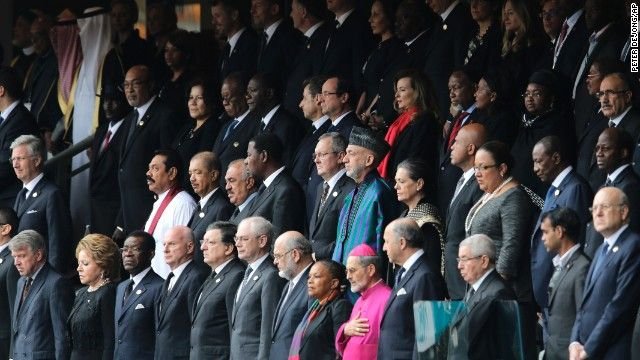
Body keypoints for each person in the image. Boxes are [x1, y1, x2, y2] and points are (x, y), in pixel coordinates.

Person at [570, 187, 640, 359]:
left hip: (612, 351)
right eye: (594, 208)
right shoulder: (602, 248)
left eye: (605, 207)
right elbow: (585, 305)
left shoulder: (633, 246)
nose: (598, 213)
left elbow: (620, 307)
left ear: (623, 212)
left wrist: (589, 349)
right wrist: (574, 342)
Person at [465, 140, 537, 303]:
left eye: (483, 167)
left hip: (503, 293)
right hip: (483, 287)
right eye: (476, 167)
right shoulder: (491, 192)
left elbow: (511, 245)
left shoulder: (513, 197)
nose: (477, 173)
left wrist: (493, 286)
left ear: (502, 168)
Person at [530, 135, 592, 311]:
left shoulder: (575, 188)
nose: (535, 169)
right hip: (549, 292)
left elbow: (573, 241)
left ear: (556, 158)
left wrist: (559, 283)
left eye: (539, 161)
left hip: (561, 289)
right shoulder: (555, 188)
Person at [116, 65, 180, 235]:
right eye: (126, 85)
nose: (129, 90)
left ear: (150, 85)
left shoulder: (164, 115)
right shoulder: (130, 118)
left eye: (135, 84)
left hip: (151, 206)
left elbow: (168, 161)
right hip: (130, 210)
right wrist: (120, 222)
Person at [378, 218, 447, 359]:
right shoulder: (406, 272)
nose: (384, 248)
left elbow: (428, 338)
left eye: (387, 241)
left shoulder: (425, 276)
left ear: (402, 243)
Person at [333, 127, 400, 270]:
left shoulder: (380, 192)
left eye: (351, 153)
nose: (344, 159)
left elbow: (384, 245)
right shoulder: (351, 195)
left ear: (368, 160)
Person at [11, 134, 73, 275]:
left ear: (37, 160)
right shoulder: (21, 195)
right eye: (13, 159)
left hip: (43, 276)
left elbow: (58, 242)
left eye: (20, 159)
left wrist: (53, 279)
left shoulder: (52, 194)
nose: (15, 164)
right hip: (23, 275)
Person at [449, 234, 516, 359]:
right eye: (459, 260)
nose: (459, 266)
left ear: (484, 261)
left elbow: (503, 347)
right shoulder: (475, 288)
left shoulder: (499, 293)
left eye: (464, 259)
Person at [10, 230, 73, 360]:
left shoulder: (57, 283)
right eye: (14, 256)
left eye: (21, 256)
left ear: (38, 255)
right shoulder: (21, 282)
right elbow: (18, 328)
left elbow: (62, 337)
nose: (16, 262)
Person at [510, 69, 573, 197]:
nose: (529, 99)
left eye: (536, 94)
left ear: (551, 98)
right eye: (527, 94)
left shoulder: (556, 125)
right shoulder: (525, 121)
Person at [230, 217, 286, 360]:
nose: (237, 244)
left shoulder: (271, 275)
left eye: (244, 239)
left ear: (262, 241)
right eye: (237, 238)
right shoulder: (248, 273)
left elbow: (268, 329)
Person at [190, 222, 245, 360]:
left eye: (211, 242)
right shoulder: (213, 275)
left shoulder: (236, 276)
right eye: (203, 242)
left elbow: (234, 328)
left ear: (228, 248)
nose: (203, 247)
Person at [540, 208, 590, 360]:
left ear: (560, 232)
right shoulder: (560, 263)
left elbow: (584, 316)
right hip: (553, 351)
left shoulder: (582, 267)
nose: (543, 238)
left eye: (546, 232)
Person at [444, 123, 486, 300]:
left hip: (466, 281)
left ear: (470, 148)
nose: (451, 146)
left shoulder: (479, 184)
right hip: (454, 277)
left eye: (456, 142)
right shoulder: (462, 180)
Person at [378, 69, 440, 186]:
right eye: (397, 90)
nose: (396, 95)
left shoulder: (425, 120)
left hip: (409, 187)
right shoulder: (400, 121)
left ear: (417, 92)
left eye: (402, 90)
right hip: (393, 184)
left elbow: (416, 159)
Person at [584, 128, 640, 257]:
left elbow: (627, 239)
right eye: (597, 148)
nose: (599, 153)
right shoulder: (605, 185)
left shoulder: (630, 187)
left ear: (623, 153)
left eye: (606, 148)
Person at [154, 226, 208, 360]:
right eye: (164, 244)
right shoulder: (169, 278)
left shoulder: (196, 277)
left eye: (172, 244)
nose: (165, 249)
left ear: (190, 247)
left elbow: (195, 325)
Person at [144, 149, 197, 278]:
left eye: (155, 168)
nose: (148, 173)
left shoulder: (183, 204)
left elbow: (184, 252)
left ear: (172, 173)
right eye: (149, 168)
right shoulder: (159, 202)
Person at [575, 58, 625, 191]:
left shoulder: (624, 122)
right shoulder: (597, 112)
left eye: (592, 74)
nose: (604, 99)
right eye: (602, 94)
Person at [242, 133, 306, 236]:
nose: (245, 161)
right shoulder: (266, 186)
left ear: (264, 156)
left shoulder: (286, 190)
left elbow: (280, 238)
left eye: (249, 155)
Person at [68, 234, 119, 360]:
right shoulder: (81, 293)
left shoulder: (108, 293)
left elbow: (110, 341)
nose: (78, 269)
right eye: (78, 263)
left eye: (85, 263)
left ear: (103, 264)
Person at [336, 244, 391, 360]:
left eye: (352, 271)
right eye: (347, 271)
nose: (348, 277)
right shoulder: (359, 300)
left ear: (371, 270)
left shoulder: (388, 299)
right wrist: (345, 330)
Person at [287, 260, 351, 359]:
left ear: (334, 283)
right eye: (309, 276)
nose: (309, 281)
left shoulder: (340, 306)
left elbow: (340, 349)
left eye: (316, 276)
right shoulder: (315, 308)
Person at [114, 231, 163, 360]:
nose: (128, 254)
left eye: (135, 249)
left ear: (150, 254)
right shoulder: (121, 287)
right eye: (124, 249)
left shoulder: (160, 287)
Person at [90, 83, 130, 237]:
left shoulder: (128, 129)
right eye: (105, 101)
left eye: (114, 101)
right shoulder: (101, 131)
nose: (108, 106)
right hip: (96, 213)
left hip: (115, 213)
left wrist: (120, 223)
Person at [290, 75, 331, 220]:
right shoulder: (311, 131)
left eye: (304, 98)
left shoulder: (329, 131)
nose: (300, 104)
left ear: (317, 99)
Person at [308, 133, 354, 260]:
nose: (316, 160)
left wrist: (316, 255)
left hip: (336, 266)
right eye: (315, 156)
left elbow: (347, 236)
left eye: (322, 155)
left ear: (340, 156)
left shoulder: (351, 188)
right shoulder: (320, 187)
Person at [394, 158, 444, 275]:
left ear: (419, 184)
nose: (396, 186)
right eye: (396, 181)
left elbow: (430, 265)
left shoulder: (427, 222)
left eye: (401, 181)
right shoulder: (404, 215)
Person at [269, 231, 314, 360]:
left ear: (295, 255)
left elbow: (312, 333)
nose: (275, 262)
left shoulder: (313, 283)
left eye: (278, 256)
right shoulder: (289, 284)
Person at [356, 0, 403, 122]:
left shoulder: (395, 48)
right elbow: (367, 85)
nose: (370, 20)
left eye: (376, 14)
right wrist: (358, 110)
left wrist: (368, 112)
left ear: (389, 17)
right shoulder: (376, 48)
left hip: (378, 114)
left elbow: (384, 85)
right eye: (371, 14)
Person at [173, 80, 224, 192]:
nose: (193, 102)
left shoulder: (212, 128)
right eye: (191, 97)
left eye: (199, 98)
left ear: (210, 101)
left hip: (191, 190)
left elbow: (201, 164)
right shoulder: (187, 127)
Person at [283, 0, 331, 116]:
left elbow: (317, 76)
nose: (290, 15)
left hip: (310, 115)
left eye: (293, 10)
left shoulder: (322, 38)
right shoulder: (306, 40)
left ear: (304, 12)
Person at [0, 67, 39, 208]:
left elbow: (6, 165)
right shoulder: (6, 118)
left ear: (1, 90)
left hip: (10, 201)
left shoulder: (21, 120)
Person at [440, 70, 479, 208]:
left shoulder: (480, 117)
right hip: (445, 185)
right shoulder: (458, 116)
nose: (451, 93)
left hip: (462, 184)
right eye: (450, 89)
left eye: (456, 87)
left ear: (473, 88)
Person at [247, 73, 306, 164]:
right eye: (248, 92)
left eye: (253, 90)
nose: (247, 96)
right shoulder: (260, 123)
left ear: (269, 93)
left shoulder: (287, 125)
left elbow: (286, 164)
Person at [319, 0, 374, 94]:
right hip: (327, 96)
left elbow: (358, 66)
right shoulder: (330, 26)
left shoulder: (360, 25)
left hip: (345, 96)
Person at [212, 72, 261, 178]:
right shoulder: (226, 126)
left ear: (244, 95)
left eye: (228, 97)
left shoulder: (255, 123)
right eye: (223, 98)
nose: (225, 102)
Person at [24, 17, 63, 148]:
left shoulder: (58, 62)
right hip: (33, 128)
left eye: (38, 35)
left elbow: (57, 99)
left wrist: (47, 127)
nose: (33, 41)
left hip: (50, 132)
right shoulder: (36, 62)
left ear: (49, 35)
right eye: (32, 36)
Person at [253, 0, 304, 89]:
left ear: (274, 9)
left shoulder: (290, 35)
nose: (252, 10)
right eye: (252, 6)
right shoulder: (260, 38)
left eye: (258, 5)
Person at [187, 151, 234, 243]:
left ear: (213, 175)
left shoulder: (222, 208)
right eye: (190, 174)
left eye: (198, 173)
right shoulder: (201, 204)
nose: (192, 178)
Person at [211, 0, 258, 84]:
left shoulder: (251, 43)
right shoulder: (226, 48)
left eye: (217, 16)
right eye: (213, 17)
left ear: (234, 15)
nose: (213, 22)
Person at [157, 30, 195, 120]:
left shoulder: (191, 80)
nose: (168, 55)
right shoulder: (164, 78)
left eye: (174, 50)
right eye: (166, 50)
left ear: (186, 53)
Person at [463, 0, 502, 79]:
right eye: (472, 1)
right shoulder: (470, 33)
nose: (473, 5)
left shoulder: (499, 35)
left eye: (480, 1)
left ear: (494, 5)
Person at [0, 207, 19, 359]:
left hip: (4, 340)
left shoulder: (14, 260)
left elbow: (15, 309)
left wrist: (13, 352)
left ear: (5, 229)